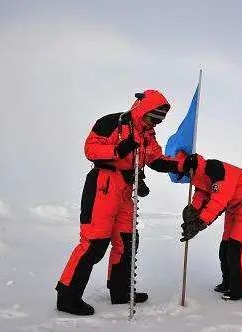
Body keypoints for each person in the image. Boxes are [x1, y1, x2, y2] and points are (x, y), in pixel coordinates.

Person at [56, 90, 186, 316]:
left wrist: (183, 164)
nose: (154, 122)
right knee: (94, 243)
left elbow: (155, 159)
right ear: (142, 110)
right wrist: (119, 148)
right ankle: (67, 297)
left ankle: (121, 291)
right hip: (103, 185)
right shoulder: (112, 123)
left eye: (159, 119)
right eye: (152, 117)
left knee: (127, 240)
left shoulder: (148, 134)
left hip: (126, 189)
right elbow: (90, 149)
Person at [179, 153, 242, 301]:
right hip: (233, 208)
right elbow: (202, 195)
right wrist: (192, 213)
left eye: (187, 175)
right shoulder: (201, 177)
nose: (187, 179)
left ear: (193, 170)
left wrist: (199, 223)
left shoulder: (216, 171)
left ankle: (241, 291)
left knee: (237, 249)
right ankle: (229, 283)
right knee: (225, 247)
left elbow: (218, 201)